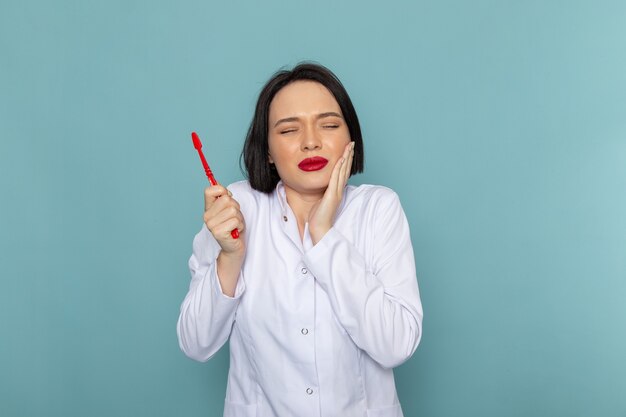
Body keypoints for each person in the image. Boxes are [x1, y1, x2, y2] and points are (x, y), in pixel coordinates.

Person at [177, 63, 423, 417]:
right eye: (290, 129)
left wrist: (323, 237)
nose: (311, 141)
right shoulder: (235, 208)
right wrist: (229, 258)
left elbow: (396, 344)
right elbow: (195, 343)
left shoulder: (378, 208)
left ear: (350, 139)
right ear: (267, 152)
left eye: (329, 125)